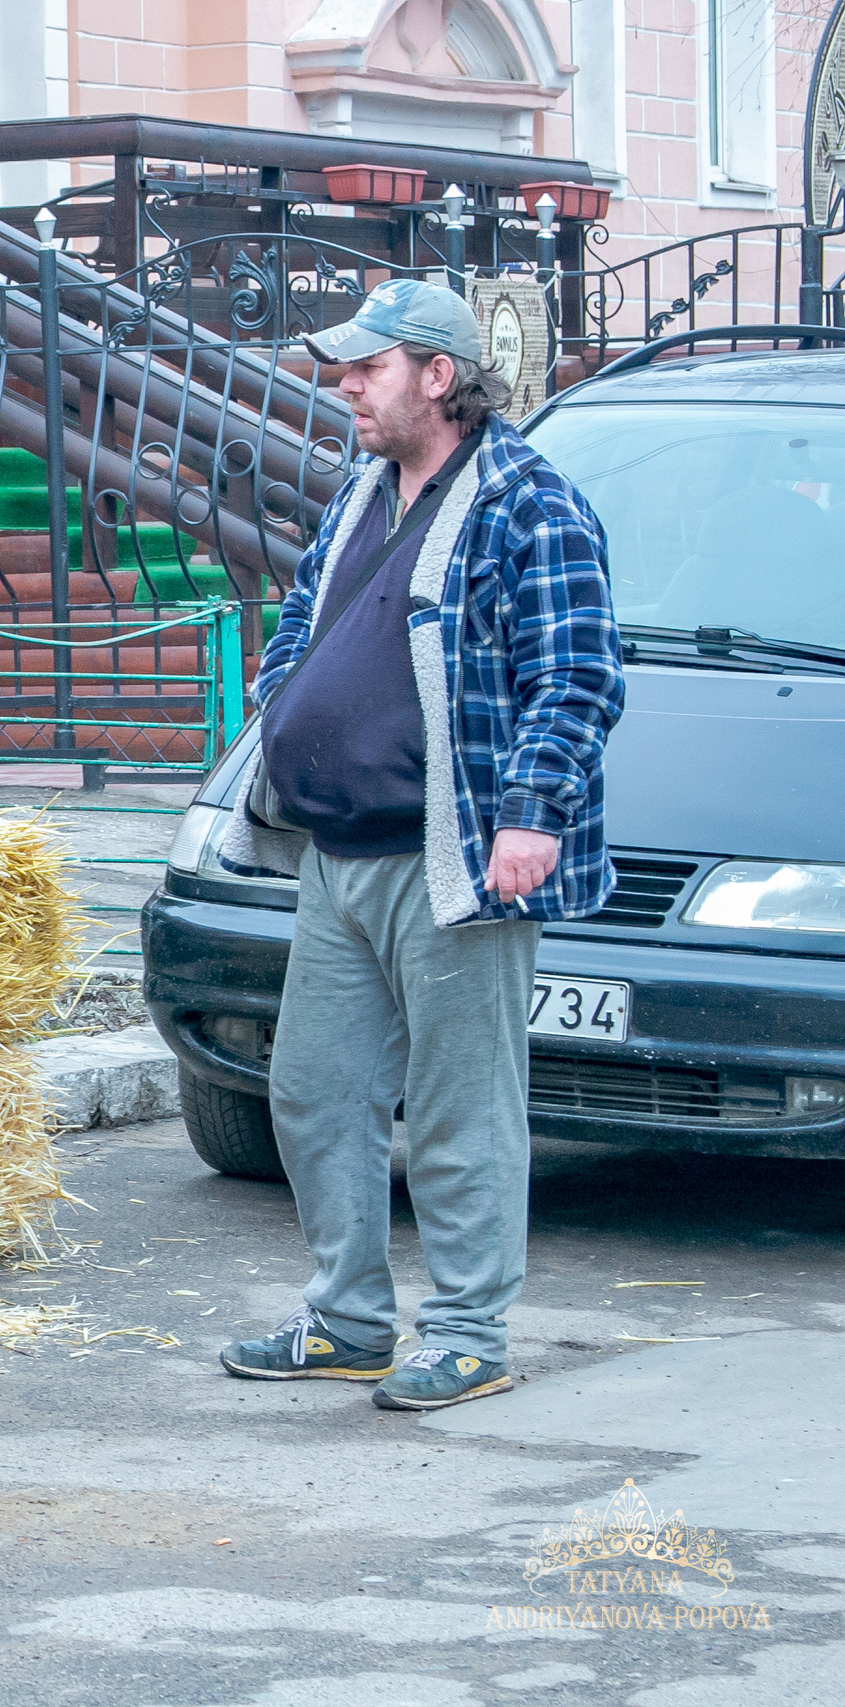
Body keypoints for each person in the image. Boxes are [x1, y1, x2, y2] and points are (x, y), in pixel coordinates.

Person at [215, 278, 624, 1411]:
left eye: (367, 367)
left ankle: (468, 1331)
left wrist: (533, 814)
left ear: (437, 377)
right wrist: (283, 703)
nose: (344, 385)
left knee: (458, 1109)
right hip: (338, 856)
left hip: (450, 860)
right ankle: (346, 1320)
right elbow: (303, 617)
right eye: (343, 368)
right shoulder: (362, 491)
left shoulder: (527, 504)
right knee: (311, 1091)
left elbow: (576, 674)